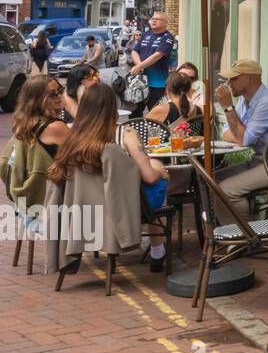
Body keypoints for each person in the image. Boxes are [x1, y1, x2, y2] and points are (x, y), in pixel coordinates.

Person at [48, 81, 183, 271]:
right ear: (113, 107)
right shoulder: (125, 134)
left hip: (84, 210)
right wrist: (160, 171)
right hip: (123, 208)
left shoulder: (72, 139)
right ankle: (157, 249)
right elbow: (149, 178)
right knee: (157, 177)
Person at [211, 59, 268, 210]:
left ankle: (243, 231)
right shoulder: (244, 100)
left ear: (249, 79)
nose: (229, 82)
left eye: (234, 78)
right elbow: (226, 132)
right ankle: (229, 227)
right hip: (259, 160)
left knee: (227, 190)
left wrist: (228, 107)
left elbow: (243, 139)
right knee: (210, 180)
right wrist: (239, 133)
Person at [2, 76, 71, 224]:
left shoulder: (23, 123)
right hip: (52, 208)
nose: (59, 97)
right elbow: (84, 156)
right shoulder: (55, 127)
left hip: (24, 205)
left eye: (60, 91)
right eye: (52, 94)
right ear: (37, 100)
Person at [129, 12, 176, 115]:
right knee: (134, 112)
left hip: (156, 84)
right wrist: (139, 65)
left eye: (158, 19)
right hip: (139, 82)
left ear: (165, 23)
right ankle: (135, 131)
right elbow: (134, 51)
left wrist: (140, 66)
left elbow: (158, 55)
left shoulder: (167, 37)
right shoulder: (146, 34)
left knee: (155, 113)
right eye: (153, 18)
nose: (154, 20)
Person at [147, 70, 202, 136]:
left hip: (165, 146)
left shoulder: (161, 109)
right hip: (191, 145)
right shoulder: (197, 109)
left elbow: (140, 130)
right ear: (189, 88)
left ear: (167, 89)